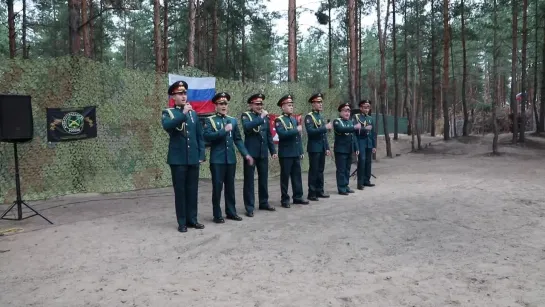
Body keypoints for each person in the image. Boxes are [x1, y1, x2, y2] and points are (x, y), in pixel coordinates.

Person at [161, 80, 205, 233]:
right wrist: (183, 113)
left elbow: (199, 136)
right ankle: (182, 222)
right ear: (173, 97)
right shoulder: (169, 113)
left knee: (192, 190)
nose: (183, 96)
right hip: (178, 159)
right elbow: (168, 126)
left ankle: (192, 220)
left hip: (193, 158)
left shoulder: (193, 114)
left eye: (185, 93)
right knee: (180, 191)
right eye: (180, 93)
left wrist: (201, 154)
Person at [203, 92, 254, 223]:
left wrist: (246, 154)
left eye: (225, 103)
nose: (224, 106)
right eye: (221, 103)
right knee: (217, 188)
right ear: (216, 106)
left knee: (230, 187)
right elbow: (207, 137)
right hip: (217, 160)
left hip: (230, 159)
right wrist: (223, 131)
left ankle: (231, 212)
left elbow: (238, 140)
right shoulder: (210, 120)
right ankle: (217, 215)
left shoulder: (232, 120)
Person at [241, 93, 277, 217]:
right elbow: (247, 128)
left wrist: (273, 151)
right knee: (249, 181)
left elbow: (268, 136)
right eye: (257, 104)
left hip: (262, 152)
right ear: (251, 105)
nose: (260, 106)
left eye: (261, 104)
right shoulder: (246, 116)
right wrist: (261, 118)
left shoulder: (265, 118)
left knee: (264, 179)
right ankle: (249, 207)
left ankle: (264, 202)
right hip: (250, 153)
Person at [275, 94, 309, 208]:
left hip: (295, 152)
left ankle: (298, 197)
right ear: (283, 107)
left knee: (297, 176)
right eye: (289, 105)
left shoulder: (294, 119)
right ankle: (285, 199)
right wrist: (295, 130)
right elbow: (282, 134)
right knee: (285, 177)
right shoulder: (279, 120)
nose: (291, 107)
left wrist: (301, 151)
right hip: (285, 153)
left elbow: (298, 138)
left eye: (292, 105)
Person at [304, 93, 332, 201]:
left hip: (321, 148)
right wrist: (325, 127)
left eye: (321, 102)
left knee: (321, 170)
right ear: (313, 104)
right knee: (314, 170)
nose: (320, 104)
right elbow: (310, 132)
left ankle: (320, 190)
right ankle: (312, 193)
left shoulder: (320, 116)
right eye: (318, 102)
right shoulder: (309, 117)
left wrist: (327, 148)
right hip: (314, 147)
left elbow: (324, 135)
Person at [333, 102, 360, 195]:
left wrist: (356, 147)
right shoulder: (337, 121)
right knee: (341, 169)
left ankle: (346, 185)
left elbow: (354, 136)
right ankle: (341, 188)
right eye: (345, 111)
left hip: (349, 149)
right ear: (340, 112)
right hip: (340, 150)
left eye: (348, 111)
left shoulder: (350, 122)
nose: (347, 113)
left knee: (348, 169)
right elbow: (341, 129)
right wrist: (354, 127)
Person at [353, 99, 376, 189]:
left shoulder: (370, 118)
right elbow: (354, 130)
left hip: (369, 143)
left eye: (368, 107)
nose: (367, 109)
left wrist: (374, 145)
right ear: (361, 108)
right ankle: (360, 183)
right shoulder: (356, 117)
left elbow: (373, 133)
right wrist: (365, 129)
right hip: (361, 142)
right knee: (361, 161)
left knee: (368, 162)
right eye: (365, 107)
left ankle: (367, 180)